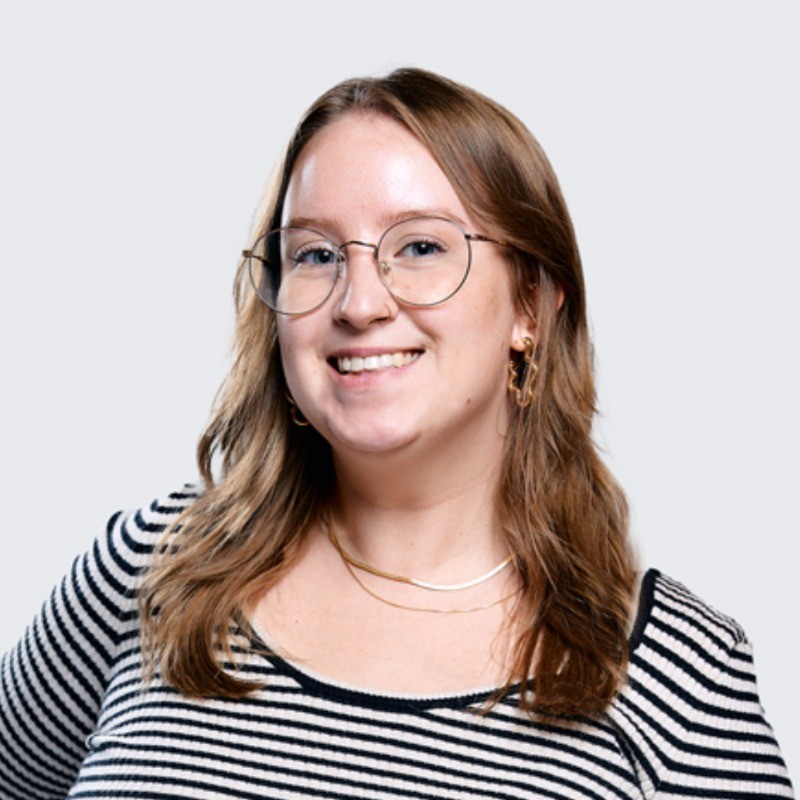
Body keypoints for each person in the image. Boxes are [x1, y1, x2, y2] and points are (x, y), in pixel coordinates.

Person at [0, 68, 793, 799]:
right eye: (314, 254)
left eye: (419, 246)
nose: (358, 302)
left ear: (531, 303)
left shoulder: (677, 673)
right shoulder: (157, 568)